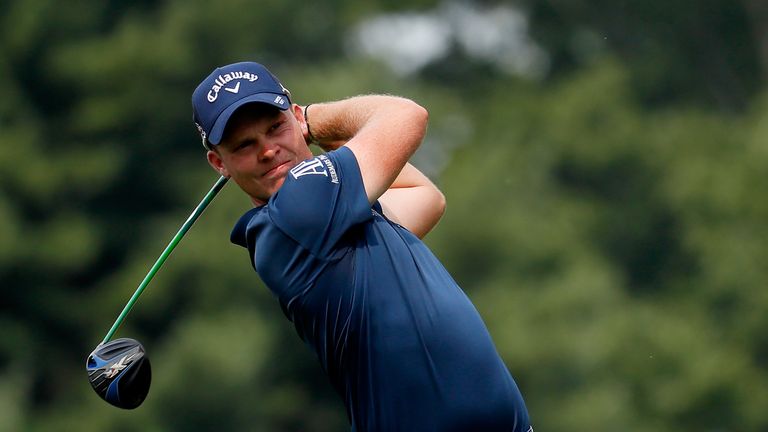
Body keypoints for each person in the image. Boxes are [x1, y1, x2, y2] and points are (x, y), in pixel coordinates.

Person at [192, 61, 531, 432]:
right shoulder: (299, 208)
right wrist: (312, 120)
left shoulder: (332, 214)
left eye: (276, 128)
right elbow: (406, 116)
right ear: (218, 162)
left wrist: (310, 130)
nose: (269, 150)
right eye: (244, 145)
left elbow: (425, 198)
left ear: (290, 117)